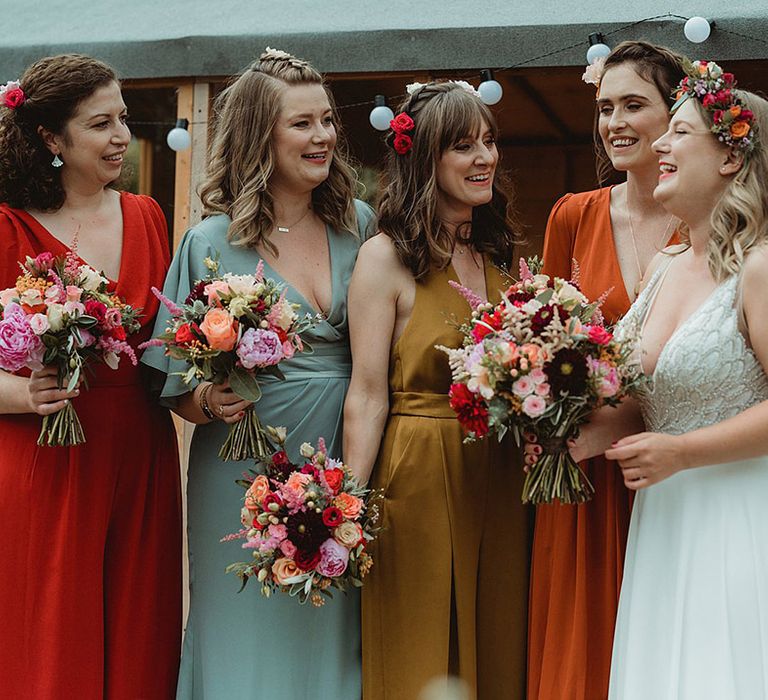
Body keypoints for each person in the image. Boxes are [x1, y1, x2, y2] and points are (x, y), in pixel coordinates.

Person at [142, 48, 374, 699]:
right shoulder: (209, 243)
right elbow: (174, 388)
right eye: (302, 124)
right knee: (245, 622)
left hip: (341, 454)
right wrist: (210, 401)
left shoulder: (359, 226)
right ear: (259, 136)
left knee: (333, 620)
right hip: (241, 470)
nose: (323, 135)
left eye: (327, 120)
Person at [0, 54, 181, 698]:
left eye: (123, 119)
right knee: (50, 639)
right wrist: (21, 393)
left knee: (140, 637)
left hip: (139, 453)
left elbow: (164, 354)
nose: (121, 138)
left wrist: (211, 389)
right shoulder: (4, 226)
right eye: (100, 124)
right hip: (44, 456)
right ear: (51, 138)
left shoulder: (148, 216)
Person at [344, 80, 531, 700]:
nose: (484, 157)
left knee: (501, 636)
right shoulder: (383, 259)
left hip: (501, 472)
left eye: (489, 141)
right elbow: (368, 393)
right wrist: (347, 503)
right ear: (424, 158)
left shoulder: (500, 254)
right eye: (462, 146)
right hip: (418, 470)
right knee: (417, 641)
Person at [602, 63, 768, 698]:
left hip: (739, 521)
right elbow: (653, 397)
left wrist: (682, 452)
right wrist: (578, 428)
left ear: (731, 156)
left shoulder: (757, 270)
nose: (661, 147)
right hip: (665, 521)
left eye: (679, 133)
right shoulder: (665, 267)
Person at [526, 41, 685, 700]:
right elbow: (538, 339)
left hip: (676, 469)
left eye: (634, 105)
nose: (615, 122)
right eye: (605, 107)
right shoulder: (572, 215)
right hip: (586, 480)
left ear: (678, 113)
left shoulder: (713, 218)